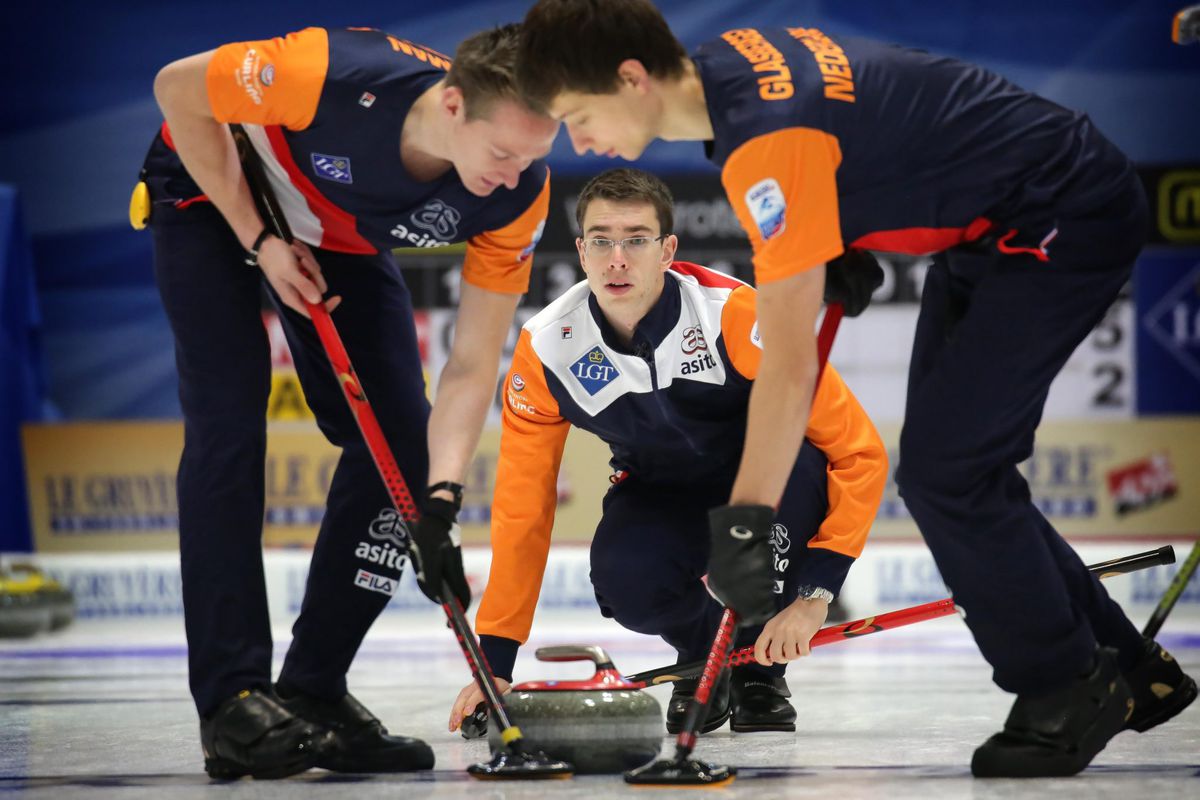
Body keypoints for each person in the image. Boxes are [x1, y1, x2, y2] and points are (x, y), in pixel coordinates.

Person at [515, 0, 1197, 778]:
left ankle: (1063, 686)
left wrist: (746, 521)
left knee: (950, 473)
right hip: (988, 229)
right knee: (960, 474)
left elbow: (791, 364)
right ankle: (1130, 668)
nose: (576, 140)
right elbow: (883, 117)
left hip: (1059, 211)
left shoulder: (764, 141)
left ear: (630, 78)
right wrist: (847, 220)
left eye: (576, 113)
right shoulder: (735, 68)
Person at [144, 23, 558, 778]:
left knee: (400, 445)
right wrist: (260, 239)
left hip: (337, 234)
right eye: (504, 154)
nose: (515, 176)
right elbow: (176, 87)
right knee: (229, 426)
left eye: (535, 156)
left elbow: (469, 367)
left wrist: (439, 499)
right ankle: (233, 700)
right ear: (455, 105)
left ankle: (313, 690)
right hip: (214, 193)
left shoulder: (519, 193)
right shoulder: (324, 71)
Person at [446, 167, 886, 736]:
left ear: (667, 250)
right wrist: (495, 664)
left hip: (774, 483)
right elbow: (521, 507)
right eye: (601, 240)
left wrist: (816, 592)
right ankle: (711, 658)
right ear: (581, 251)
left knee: (787, 497)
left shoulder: (737, 316)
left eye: (636, 239)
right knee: (626, 575)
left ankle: (760, 671)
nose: (617, 258)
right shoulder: (547, 351)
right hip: (662, 488)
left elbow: (858, 452)